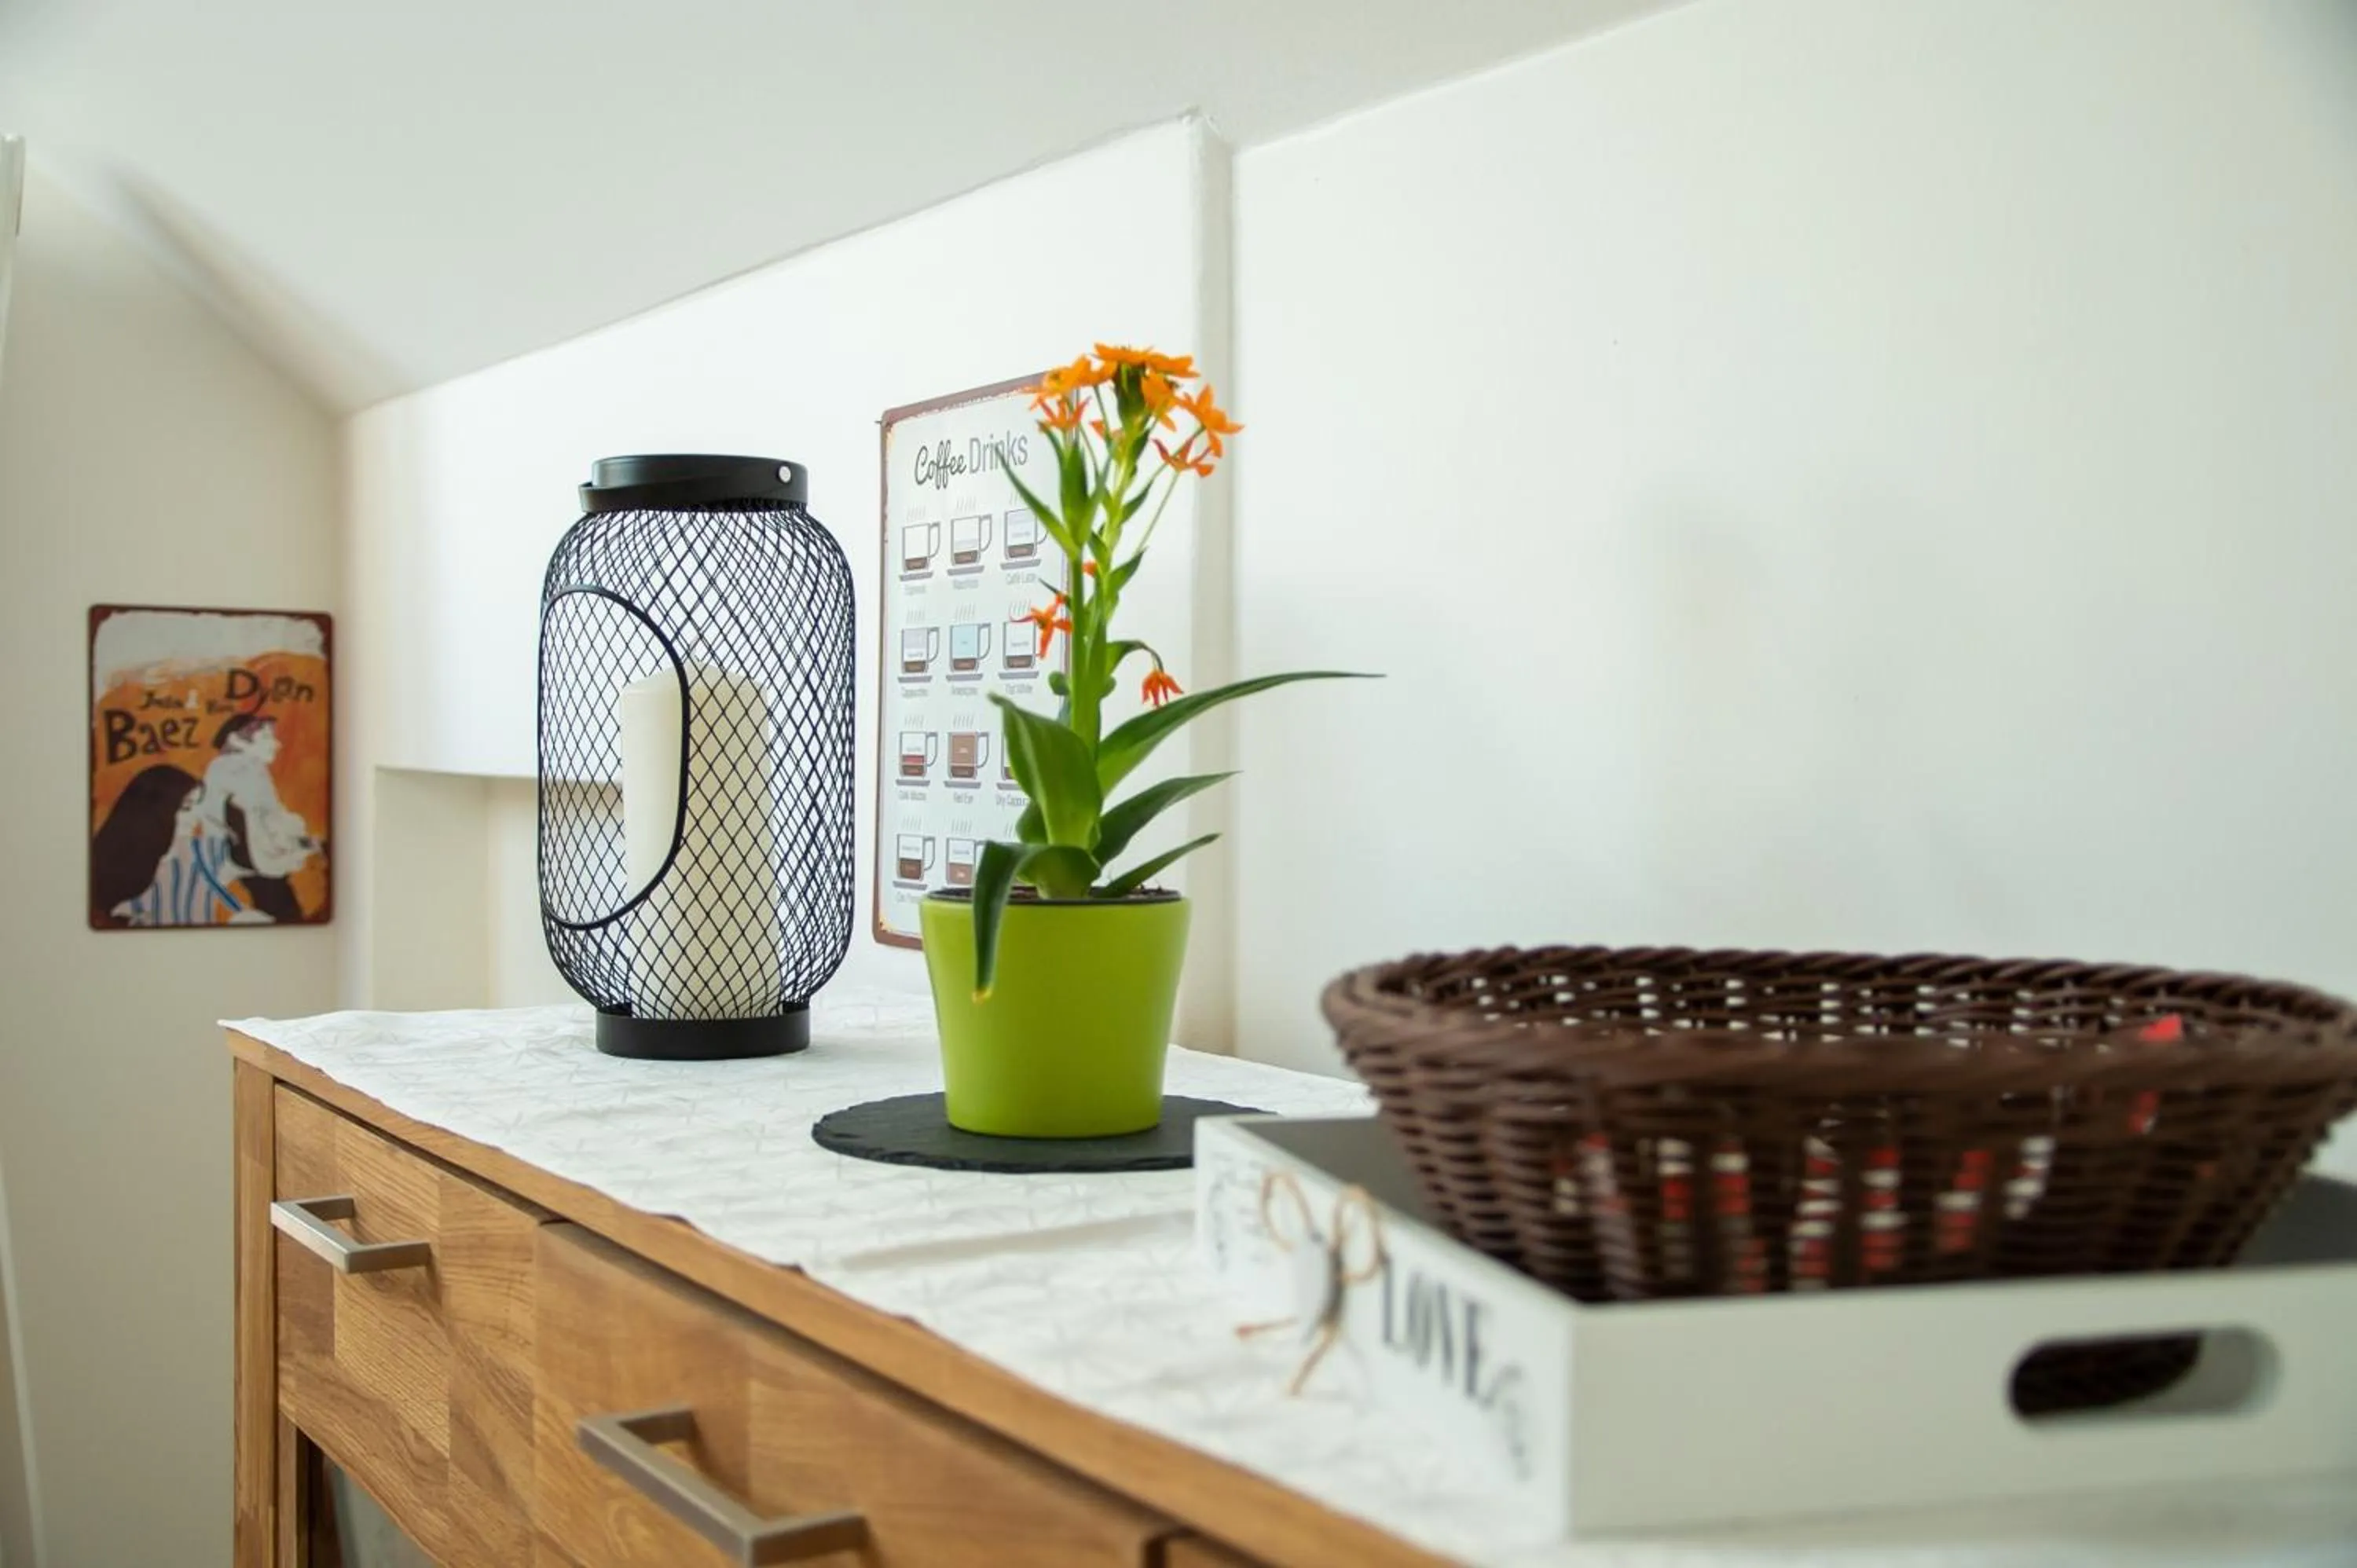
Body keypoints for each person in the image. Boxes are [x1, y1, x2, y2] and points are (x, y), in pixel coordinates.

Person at [92, 765, 253, 926]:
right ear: (156, 812)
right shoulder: (106, 868)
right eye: (185, 807)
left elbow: (251, 859)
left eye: (197, 806)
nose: (195, 817)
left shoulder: (202, 851)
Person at [200, 713, 322, 923]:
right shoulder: (238, 769)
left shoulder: (241, 767)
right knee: (286, 917)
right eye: (266, 738)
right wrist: (298, 843)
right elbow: (262, 822)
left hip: (253, 861)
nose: (277, 744)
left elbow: (268, 818)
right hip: (253, 863)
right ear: (237, 740)